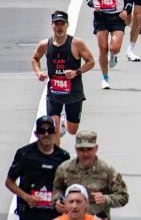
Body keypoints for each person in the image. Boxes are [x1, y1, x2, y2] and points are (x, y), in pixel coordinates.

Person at [5, 116, 70, 220]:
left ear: (55, 133)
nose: (46, 134)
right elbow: (9, 182)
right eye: (42, 131)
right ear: (36, 133)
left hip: (52, 213)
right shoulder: (25, 154)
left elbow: (66, 185)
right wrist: (26, 197)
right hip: (30, 213)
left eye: (49, 131)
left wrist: (63, 202)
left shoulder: (63, 156)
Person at [31, 11, 95, 144]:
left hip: (74, 92)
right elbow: (35, 58)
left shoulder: (76, 43)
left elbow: (91, 61)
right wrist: (39, 72)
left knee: (72, 130)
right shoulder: (45, 44)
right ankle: (57, 159)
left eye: (62, 24)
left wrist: (76, 72)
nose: (59, 27)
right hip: (54, 93)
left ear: (67, 25)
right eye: (56, 24)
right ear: (52, 25)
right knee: (53, 127)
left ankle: (65, 122)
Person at [85, 0, 134, 89]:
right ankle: (105, 78)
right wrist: (93, 4)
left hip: (117, 17)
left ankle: (114, 55)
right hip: (101, 17)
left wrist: (126, 10)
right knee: (103, 48)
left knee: (114, 47)